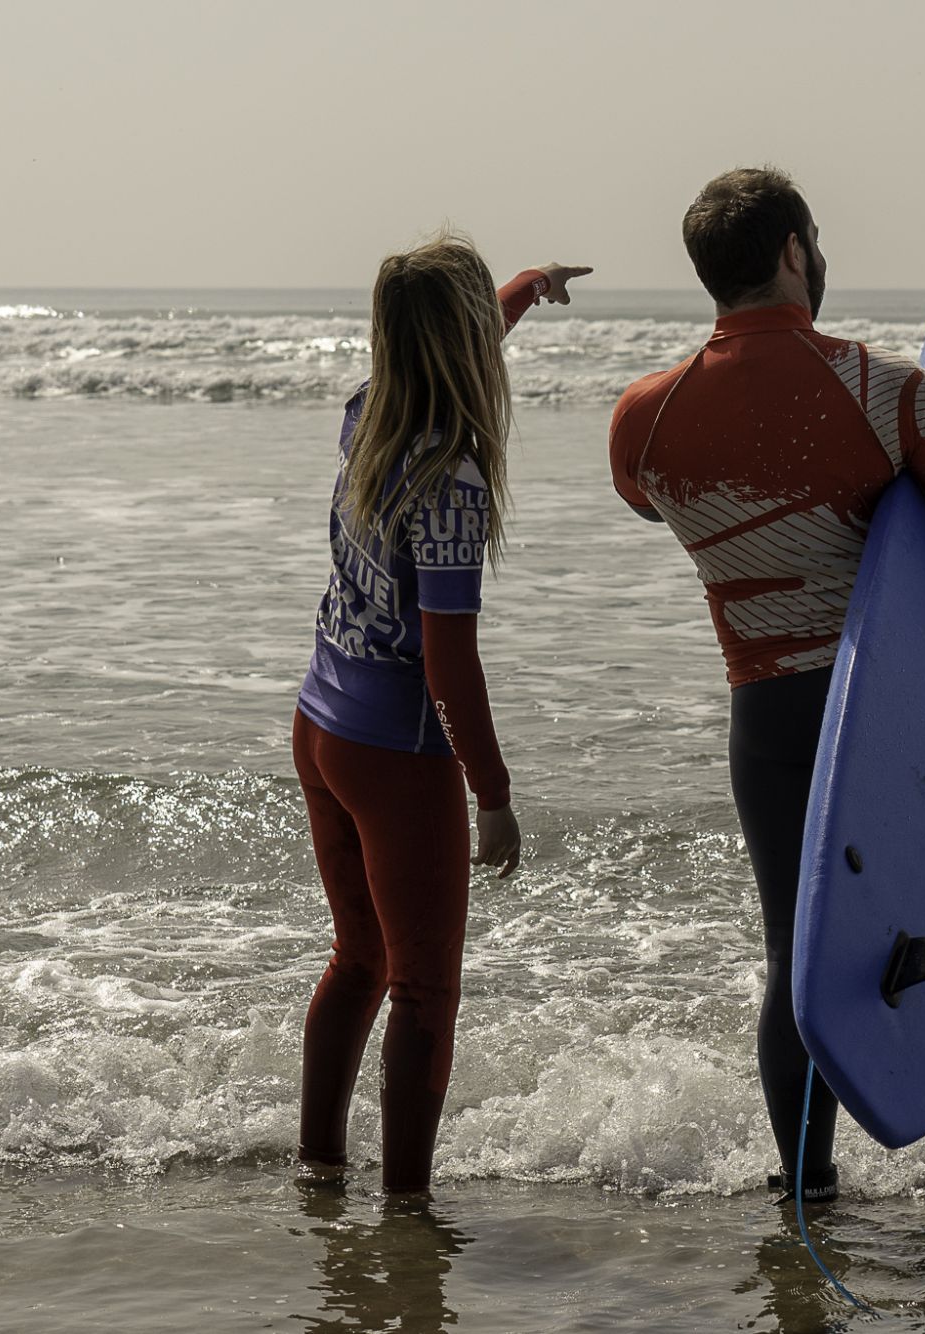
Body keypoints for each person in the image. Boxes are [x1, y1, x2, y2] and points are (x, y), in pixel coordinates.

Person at [608, 168, 925, 1225]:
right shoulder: (887, 392)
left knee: (794, 958)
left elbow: (657, 509)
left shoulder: (642, 422)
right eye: (817, 239)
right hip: (888, 713)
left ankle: (807, 1191)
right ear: (793, 252)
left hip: (767, 721)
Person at [292, 235, 590, 1195]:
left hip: (321, 722)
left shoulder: (369, 411)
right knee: (423, 989)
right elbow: (450, 662)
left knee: (358, 958)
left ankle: (319, 1168)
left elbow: (457, 341)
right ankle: (407, 1209)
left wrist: (528, 290)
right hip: (397, 750)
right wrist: (492, 796)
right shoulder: (449, 480)